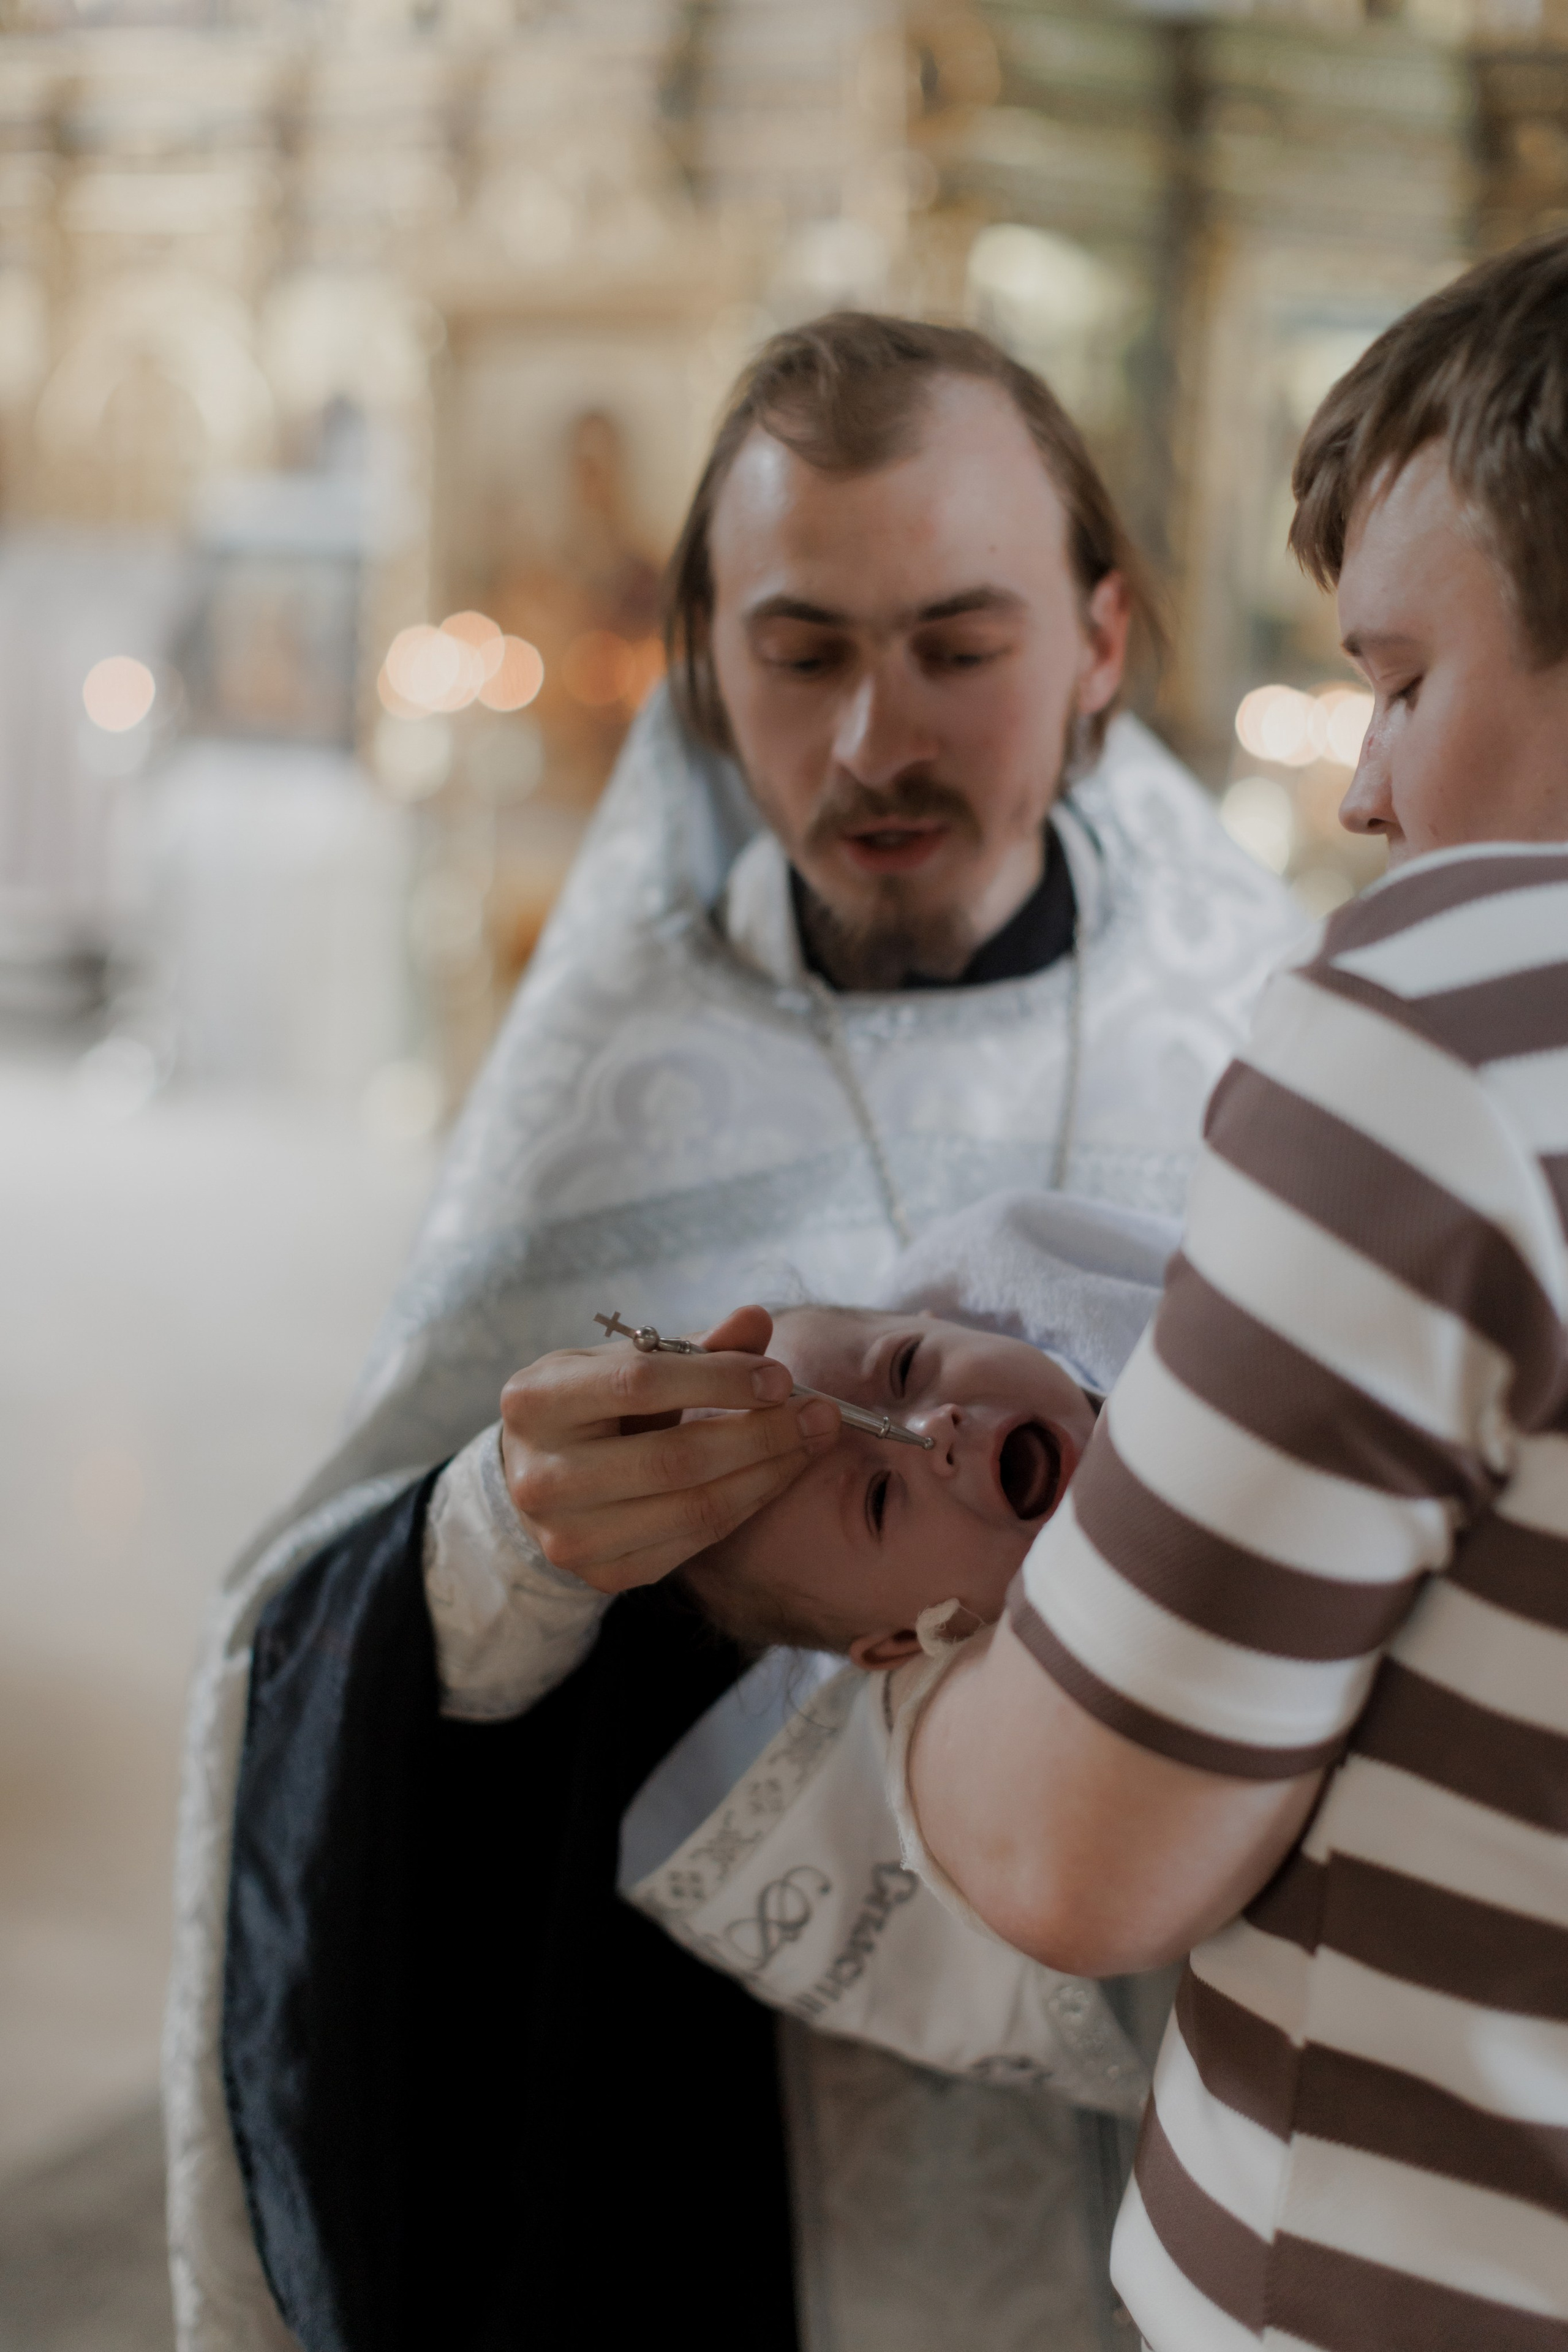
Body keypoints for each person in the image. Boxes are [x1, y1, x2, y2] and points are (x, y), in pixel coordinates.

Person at [167, 316, 1302, 2352]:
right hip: (740, 2187)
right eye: (804, 653)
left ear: (1103, 641)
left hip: (1223, 2158)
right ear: (704, 657)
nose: (878, 738)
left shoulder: (1284, 1045)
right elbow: (317, 1642)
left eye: (960, 647)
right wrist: (502, 1552)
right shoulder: (610, 1078)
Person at [892, 235, 1568, 2351]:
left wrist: (896, 1639)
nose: (1367, 788)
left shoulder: (1451, 1019)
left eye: (1403, 680)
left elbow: (1082, 1857)